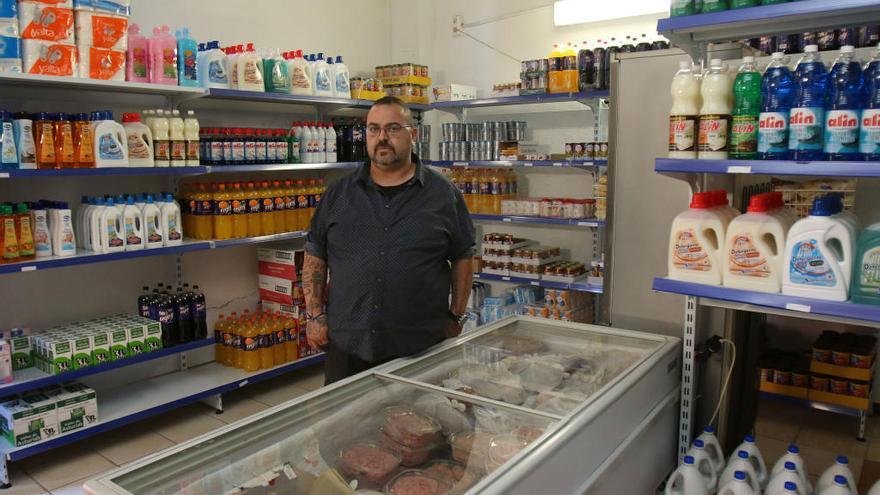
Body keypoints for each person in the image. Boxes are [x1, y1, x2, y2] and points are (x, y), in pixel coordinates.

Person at [303, 96, 475, 385]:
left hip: (420, 345)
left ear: (413, 134)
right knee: (346, 428)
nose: (382, 138)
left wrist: (455, 316)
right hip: (348, 344)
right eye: (373, 129)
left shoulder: (443, 195)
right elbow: (315, 253)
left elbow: (463, 257)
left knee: (421, 427)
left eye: (393, 128)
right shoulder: (339, 194)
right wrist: (315, 314)